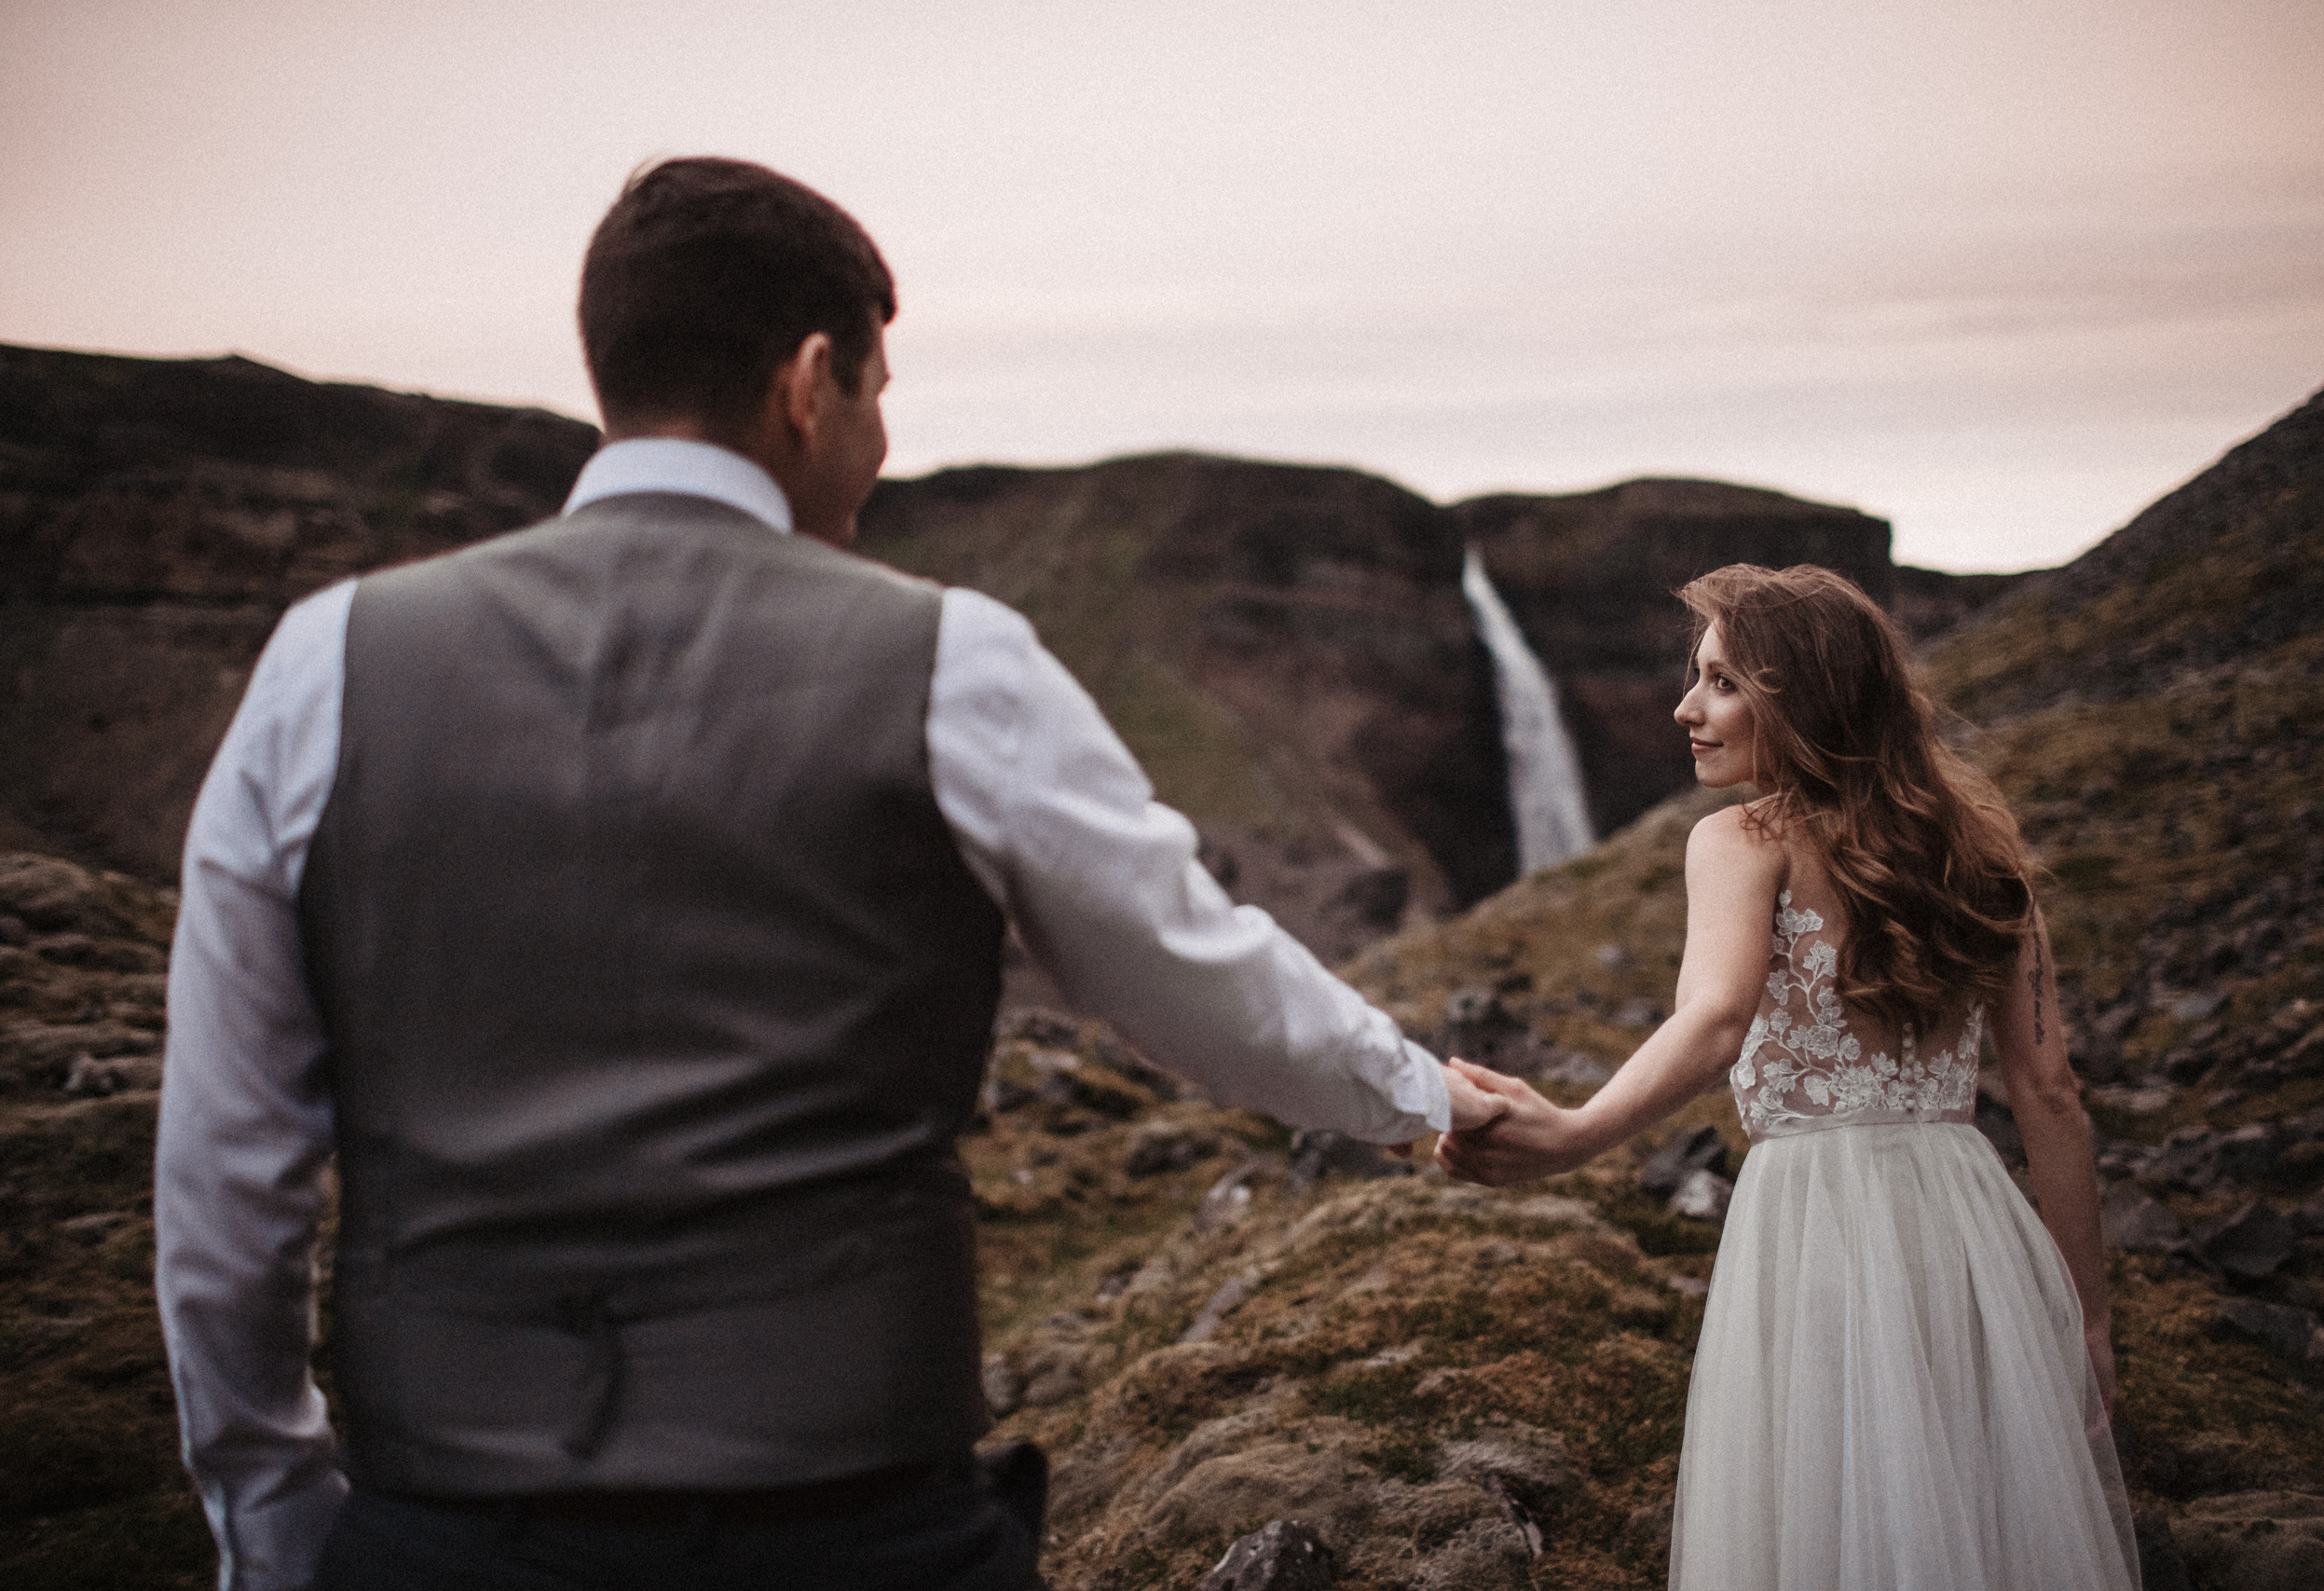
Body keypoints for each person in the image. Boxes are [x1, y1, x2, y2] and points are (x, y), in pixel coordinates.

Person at [155, 156, 1503, 1591]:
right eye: (876, 391)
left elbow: (227, 1174)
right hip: (856, 1530)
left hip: (445, 1527)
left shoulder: (325, 666)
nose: (878, 442)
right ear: (809, 381)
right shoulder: (950, 660)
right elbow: (1190, 973)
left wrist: (280, 1524)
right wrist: (1425, 1091)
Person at [1438, 563, 2140, 1589]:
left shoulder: (1739, 839)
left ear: (1802, 696)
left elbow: (1714, 1017)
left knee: (1818, 1518)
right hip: (1967, 1227)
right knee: (1962, 1518)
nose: (1686, 708)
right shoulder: (1984, 860)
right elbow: (2050, 1095)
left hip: (1813, 1221)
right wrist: (2085, 1317)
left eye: (1721, 682)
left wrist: (1576, 1132)